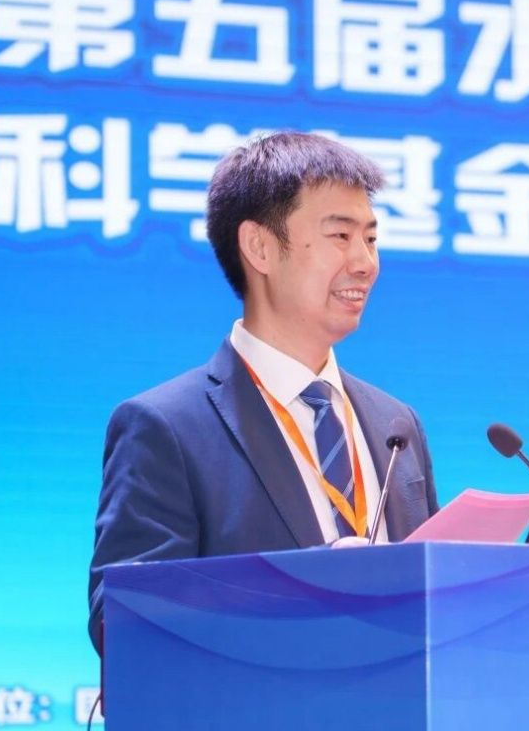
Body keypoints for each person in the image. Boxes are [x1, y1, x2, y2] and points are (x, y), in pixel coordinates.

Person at [87, 132, 439, 654]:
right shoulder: (166, 427)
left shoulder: (396, 422)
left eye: (370, 238)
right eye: (340, 236)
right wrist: (308, 591)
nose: (365, 262)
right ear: (259, 247)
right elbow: (123, 620)